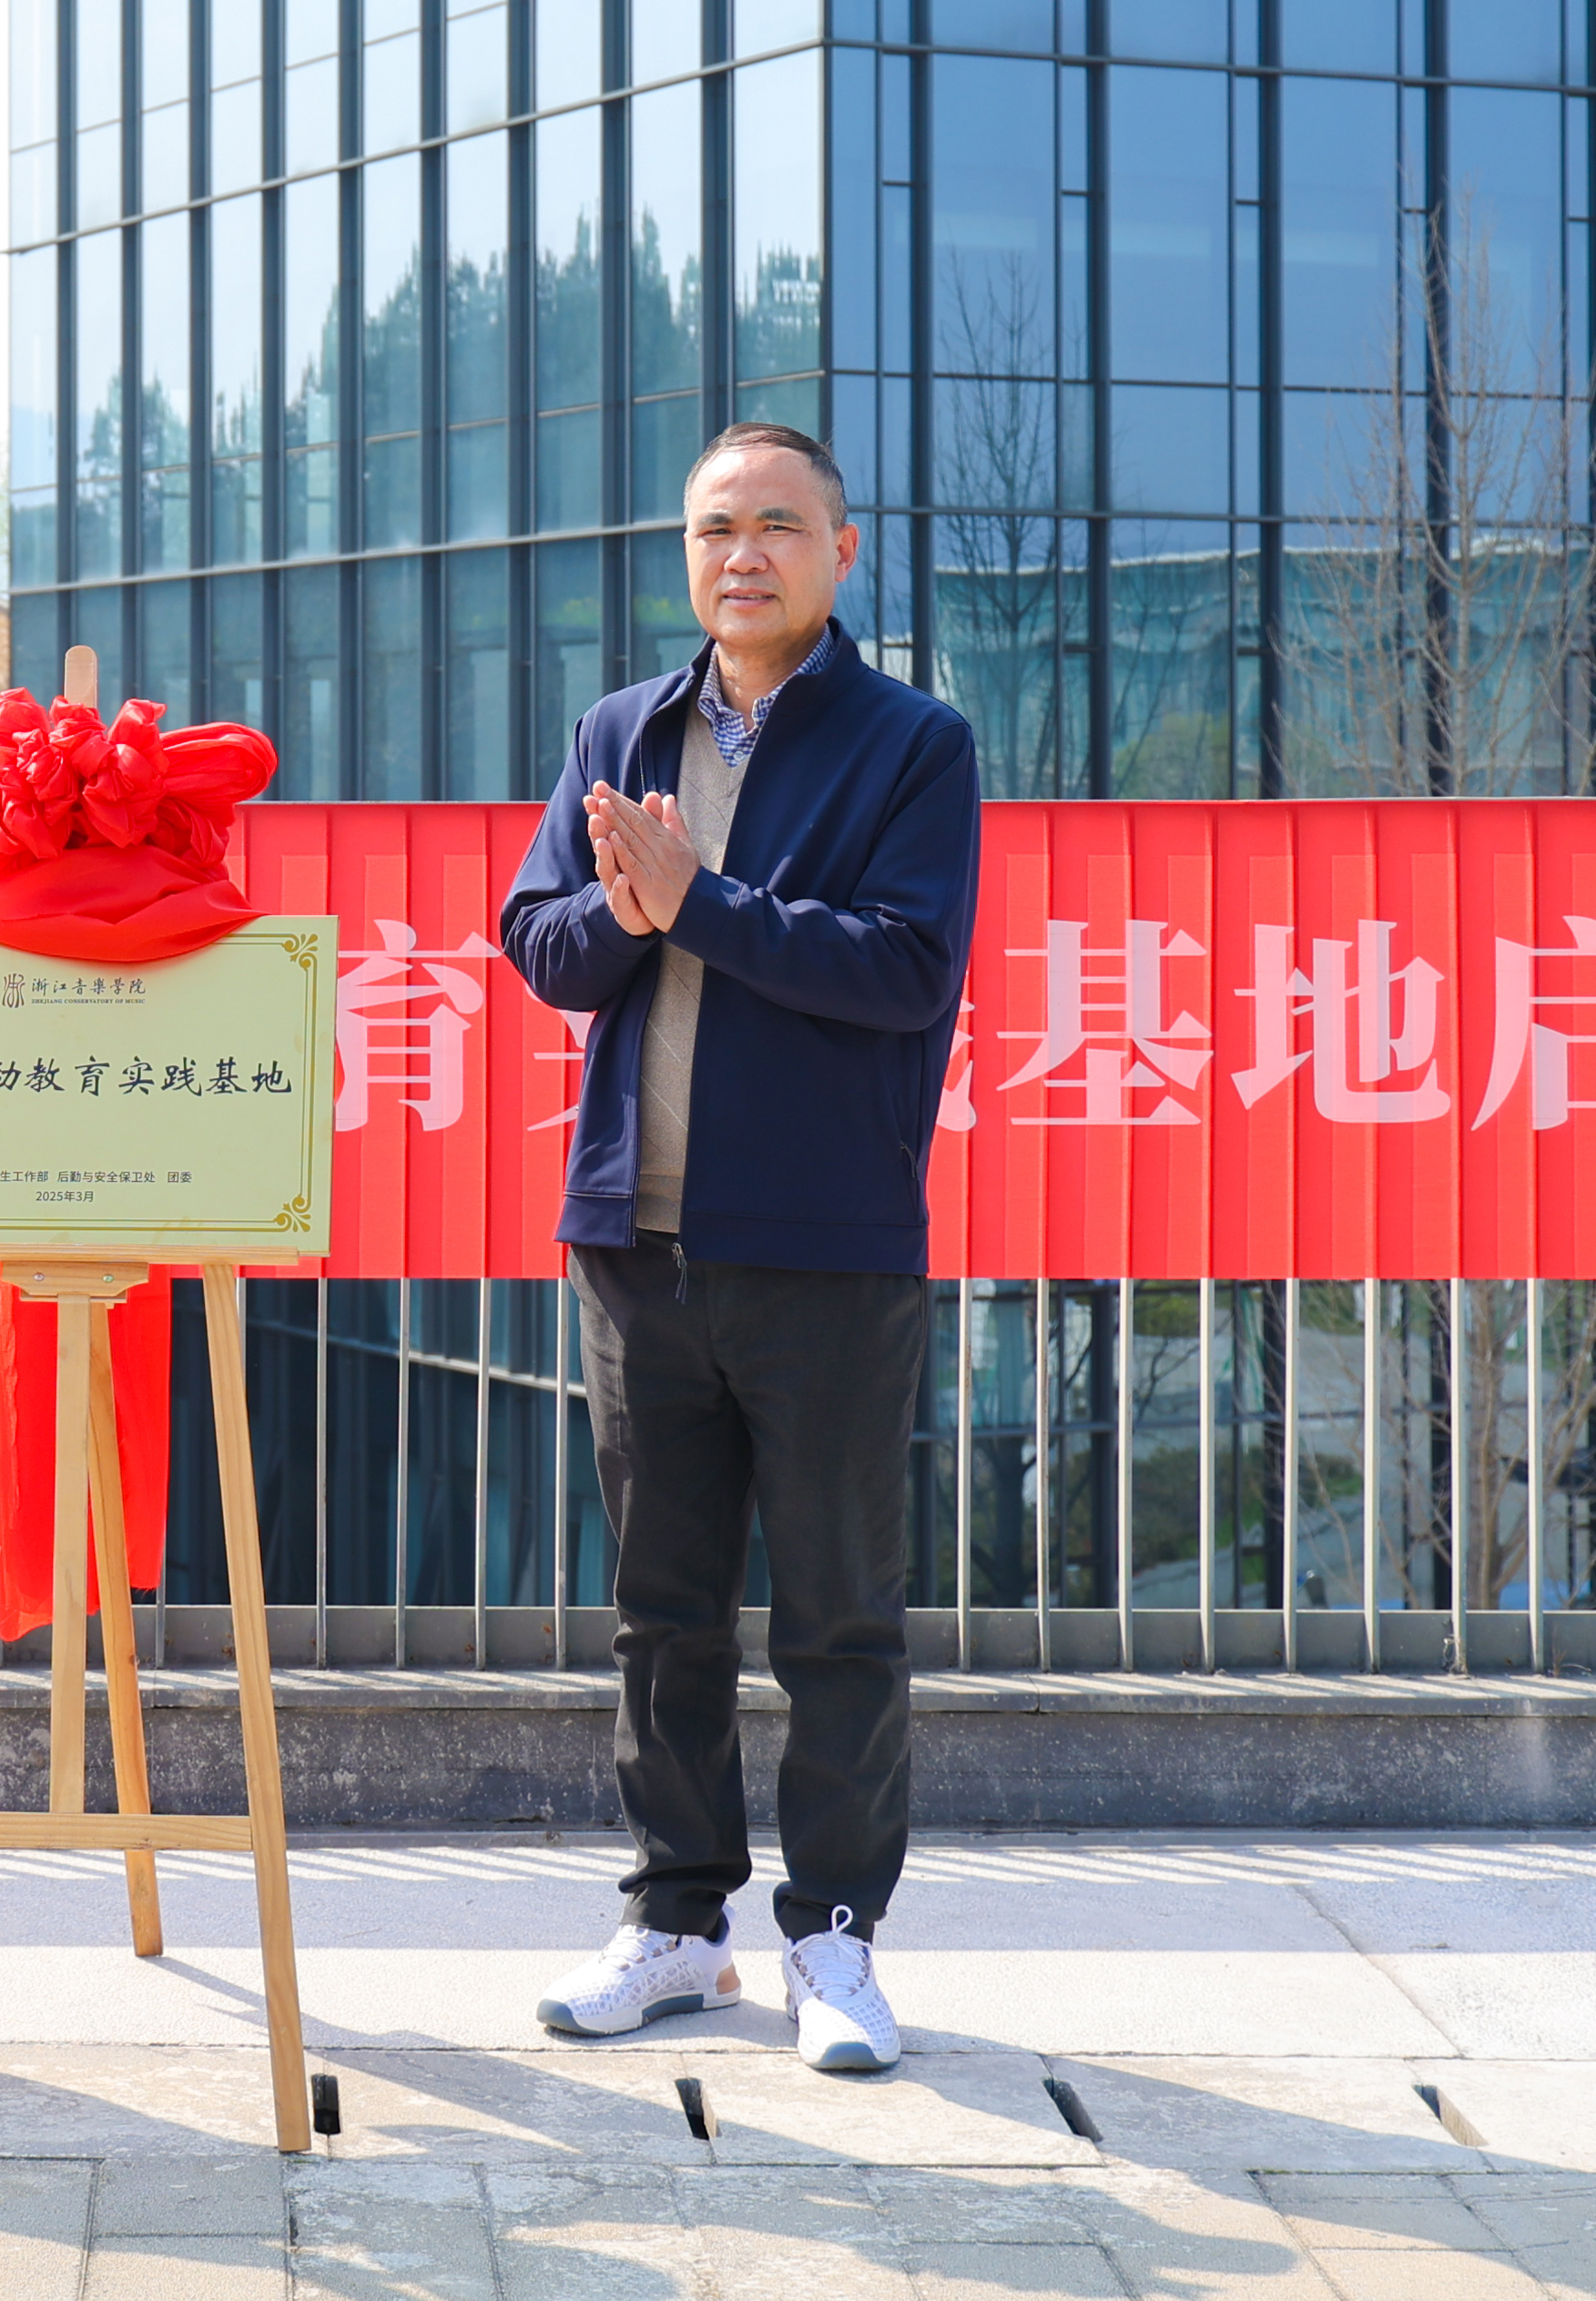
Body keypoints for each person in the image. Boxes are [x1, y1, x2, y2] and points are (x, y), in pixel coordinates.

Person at [497, 423, 981, 2073]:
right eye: (717, 530)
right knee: (662, 1612)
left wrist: (694, 900)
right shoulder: (621, 730)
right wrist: (627, 911)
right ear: (687, 555)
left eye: (779, 526)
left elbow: (903, 968)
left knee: (839, 1615)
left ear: (843, 551)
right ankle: (677, 1922)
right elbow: (543, 944)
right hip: (634, 1244)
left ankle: (833, 1940)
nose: (744, 555)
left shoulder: (913, 743)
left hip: (828, 1250)